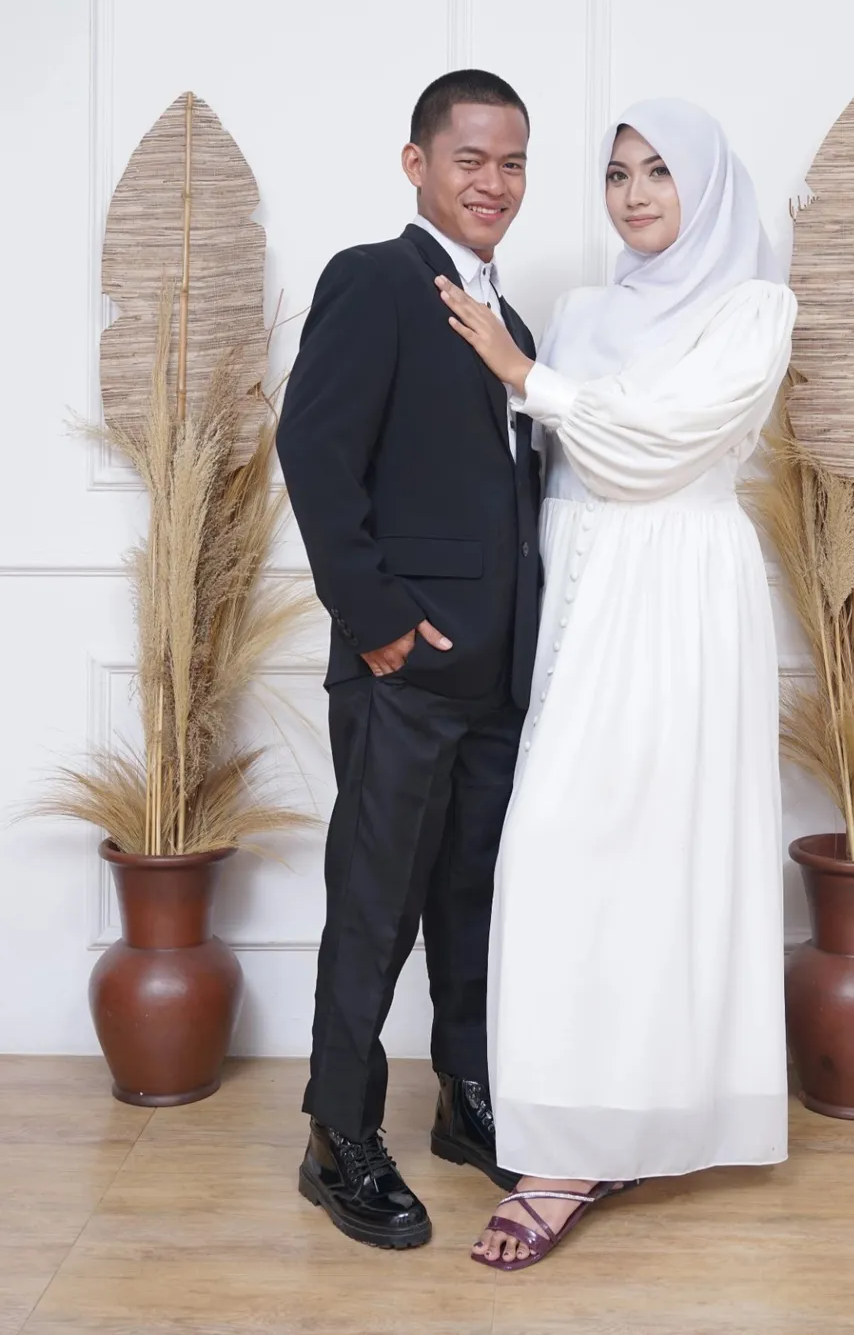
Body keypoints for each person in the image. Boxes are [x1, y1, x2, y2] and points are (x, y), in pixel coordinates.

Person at [435, 96, 797, 1270]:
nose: (635, 194)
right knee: (562, 844)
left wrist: (523, 374)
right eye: (617, 173)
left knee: (651, 849)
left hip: (677, 596)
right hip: (577, 596)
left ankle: (594, 1146)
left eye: (660, 172)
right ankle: (576, 1124)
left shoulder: (754, 309)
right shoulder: (585, 313)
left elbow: (657, 449)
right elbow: (543, 461)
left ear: (708, 187)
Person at [276, 70, 541, 1251]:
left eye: (512, 162)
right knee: (375, 908)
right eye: (470, 158)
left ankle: (463, 1099)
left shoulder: (513, 323)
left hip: (498, 674)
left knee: (473, 900)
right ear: (417, 163)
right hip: (405, 667)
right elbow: (312, 445)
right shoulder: (373, 279)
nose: (493, 182)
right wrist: (374, 616)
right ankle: (338, 1136)